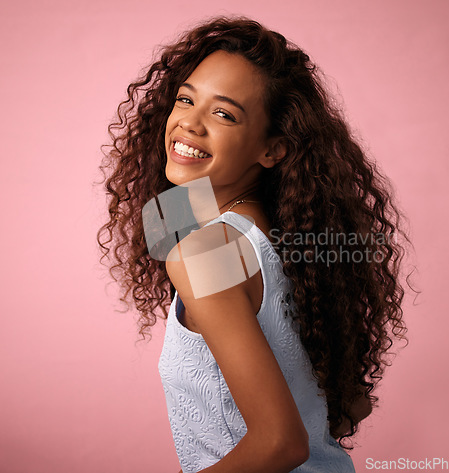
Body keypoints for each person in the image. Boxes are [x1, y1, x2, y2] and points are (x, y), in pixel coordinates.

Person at [97, 15, 411, 473]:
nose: (189, 124)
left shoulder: (206, 253)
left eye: (224, 114)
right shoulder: (292, 236)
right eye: (185, 99)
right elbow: (351, 406)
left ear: (273, 150)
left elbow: (281, 444)